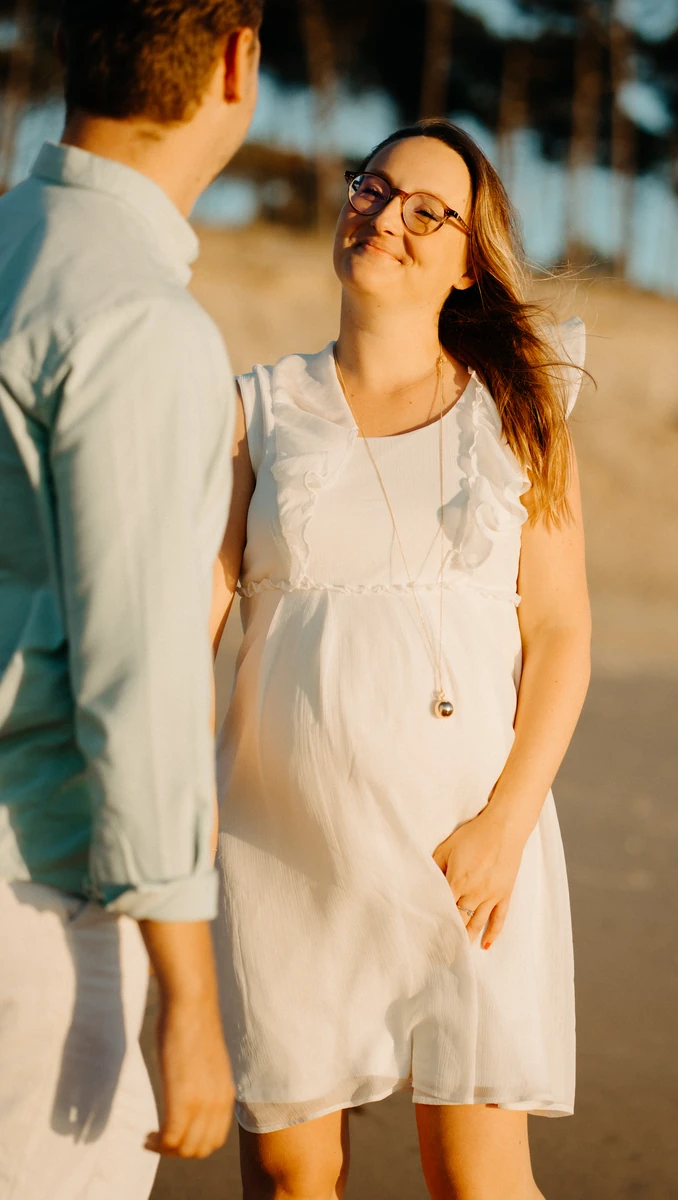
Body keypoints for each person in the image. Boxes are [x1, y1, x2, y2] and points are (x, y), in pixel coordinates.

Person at [212, 118, 591, 1200]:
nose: (387, 217)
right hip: (283, 845)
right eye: (373, 190)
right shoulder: (257, 411)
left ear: (469, 258)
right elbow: (193, 628)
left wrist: (505, 824)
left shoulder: (519, 408)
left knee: (474, 1179)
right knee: (292, 1180)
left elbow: (559, 631)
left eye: (429, 210)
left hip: (467, 854)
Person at [0, 2, 263, 1196]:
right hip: (40, 904)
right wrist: (191, 996)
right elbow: (140, 676)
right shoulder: (138, 323)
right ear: (235, 64)